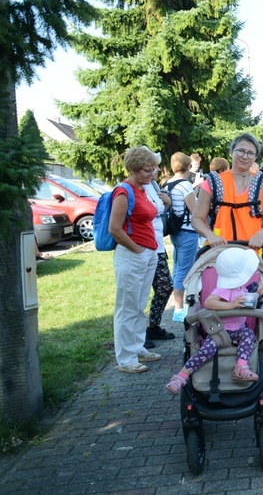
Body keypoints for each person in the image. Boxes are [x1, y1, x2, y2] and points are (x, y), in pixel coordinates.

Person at [165, 247, 263, 394]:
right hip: (218, 332)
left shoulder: (241, 288)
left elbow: (247, 300)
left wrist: (257, 293)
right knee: (206, 351)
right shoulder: (223, 289)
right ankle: (180, 377)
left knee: (249, 335)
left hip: (239, 330)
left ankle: (241, 367)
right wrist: (230, 305)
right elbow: (209, 303)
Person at [109, 146, 162, 373]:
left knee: (139, 305)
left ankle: (138, 347)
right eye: (147, 170)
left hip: (146, 253)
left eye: (153, 170)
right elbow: (114, 228)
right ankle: (126, 358)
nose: (152, 174)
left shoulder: (142, 188)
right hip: (133, 255)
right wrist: (137, 250)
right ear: (132, 169)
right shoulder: (124, 191)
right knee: (127, 307)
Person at [191, 133, 263, 252]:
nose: (245, 156)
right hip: (220, 252)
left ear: (255, 157)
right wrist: (210, 235)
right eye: (241, 151)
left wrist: (261, 234)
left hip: (253, 256)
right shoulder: (213, 183)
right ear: (231, 152)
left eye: (250, 153)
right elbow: (196, 219)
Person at [164, 152, 199, 323]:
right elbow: (195, 209)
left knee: (178, 266)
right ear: (188, 167)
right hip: (188, 230)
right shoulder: (185, 185)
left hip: (175, 231)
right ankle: (179, 309)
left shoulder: (167, 184)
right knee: (185, 270)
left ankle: (179, 306)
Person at [144, 168, 175, 348]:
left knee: (165, 287)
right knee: (140, 294)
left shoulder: (154, 185)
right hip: (142, 248)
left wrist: (167, 204)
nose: (155, 170)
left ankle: (153, 325)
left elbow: (158, 212)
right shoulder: (133, 188)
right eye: (150, 167)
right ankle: (137, 334)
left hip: (157, 246)